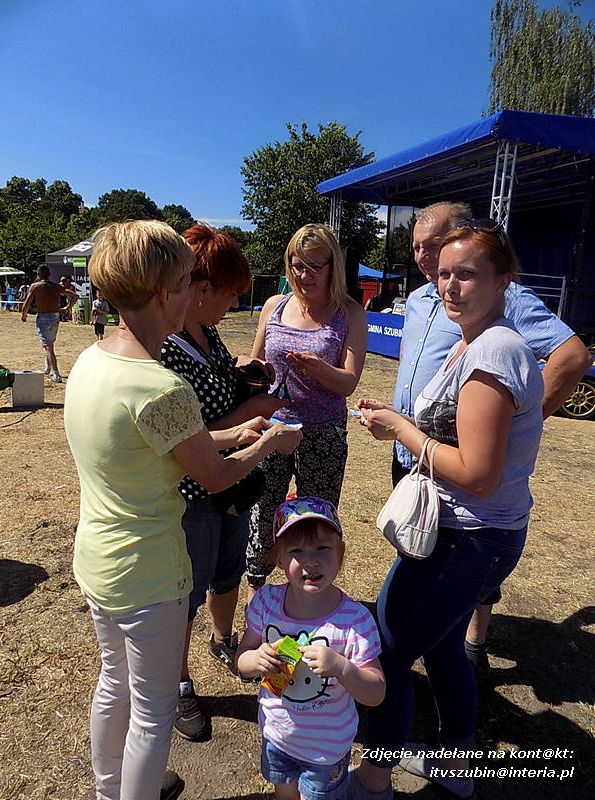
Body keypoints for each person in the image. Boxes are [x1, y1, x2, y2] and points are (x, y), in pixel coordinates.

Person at [64, 220, 301, 800]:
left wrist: (234, 431)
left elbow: (157, 441)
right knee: (152, 711)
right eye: (185, 280)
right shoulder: (160, 387)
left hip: (98, 559)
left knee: (114, 683)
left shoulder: (93, 360)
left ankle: (111, 789)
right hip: (148, 571)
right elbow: (214, 475)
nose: (194, 291)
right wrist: (267, 443)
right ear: (162, 293)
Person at [351, 220, 547, 799]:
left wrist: (401, 429)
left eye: (467, 274)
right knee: (440, 648)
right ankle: (459, 766)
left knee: (387, 652)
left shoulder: (494, 352)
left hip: (469, 537)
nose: (450, 286)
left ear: (504, 281)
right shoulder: (473, 341)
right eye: (443, 274)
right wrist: (397, 421)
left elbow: (478, 474)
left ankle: (374, 777)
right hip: (469, 533)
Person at [391, 202, 591, 676]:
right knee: (420, 566)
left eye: (434, 246)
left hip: (468, 502)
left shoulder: (499, 304)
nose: (425, 259)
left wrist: (521, 420)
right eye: (418, 248)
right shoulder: (421, 299)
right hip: (417, 461)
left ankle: (473, 644)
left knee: (411, 631)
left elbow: (572, 356)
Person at [159, 224, 286, 742]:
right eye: (231, 294)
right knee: (184, 592)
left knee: (227, 569)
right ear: (201, 287)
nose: (234, 305)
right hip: (192, 491)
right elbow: (182, 436)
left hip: (231, 481)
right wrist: (255, 411)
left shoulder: (205, 333)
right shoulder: (164, 348)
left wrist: (246, 373)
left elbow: (221, 383)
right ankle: (178, 684)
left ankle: (223, 638)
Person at [246, 223, 368, 601]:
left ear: (333, 267)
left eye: (315, 267)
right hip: (272, 430)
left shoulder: (349, 313)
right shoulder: (275, 305)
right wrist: (248, 371)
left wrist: (318, 369)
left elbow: (348, 382)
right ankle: (257, 599)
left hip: (323, 433)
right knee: (262, 516)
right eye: (297, 265)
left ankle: (308, 600)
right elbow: (256, 364)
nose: (304, 275)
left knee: (315, 523)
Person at [237, 496, 385, 800]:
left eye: (322, 548)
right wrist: (256, 659)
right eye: (296, 551)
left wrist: (342, 667)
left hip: (326, 749)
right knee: (284, 792)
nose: (311, 561)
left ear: (341, 554)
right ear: (279, 559)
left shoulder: (355, 620)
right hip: (276, 736)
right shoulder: (265, 602)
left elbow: (376, 693)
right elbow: (242, 659)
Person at [20, 265, 79, 382]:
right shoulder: (56, 287)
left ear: (38, 275)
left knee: (48, 346)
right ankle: (48, 366)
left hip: (43, 317)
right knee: (50, 343)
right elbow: (75, 296)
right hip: (55, 317)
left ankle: (56, 373)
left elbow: (27, 303)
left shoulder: (35, 286)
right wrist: (67, 307)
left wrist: (24, 314)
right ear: (49, 275)